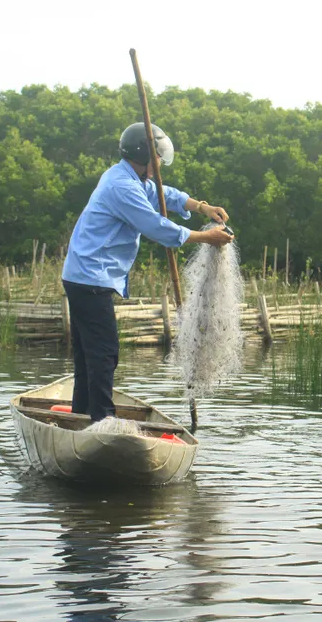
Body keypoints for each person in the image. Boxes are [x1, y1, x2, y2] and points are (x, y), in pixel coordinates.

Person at [61, 122, 234, 421]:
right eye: (156, 159)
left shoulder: (132, 178)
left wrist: (202, 207)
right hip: (90, 277)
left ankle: (82, 413)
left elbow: (164, 195)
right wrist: (206, 237)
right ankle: (102, 420)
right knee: (104, 352)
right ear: (143, 156)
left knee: (89, 353)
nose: (158, 166)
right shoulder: (121, 186)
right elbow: (156, 226)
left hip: (85, 274)